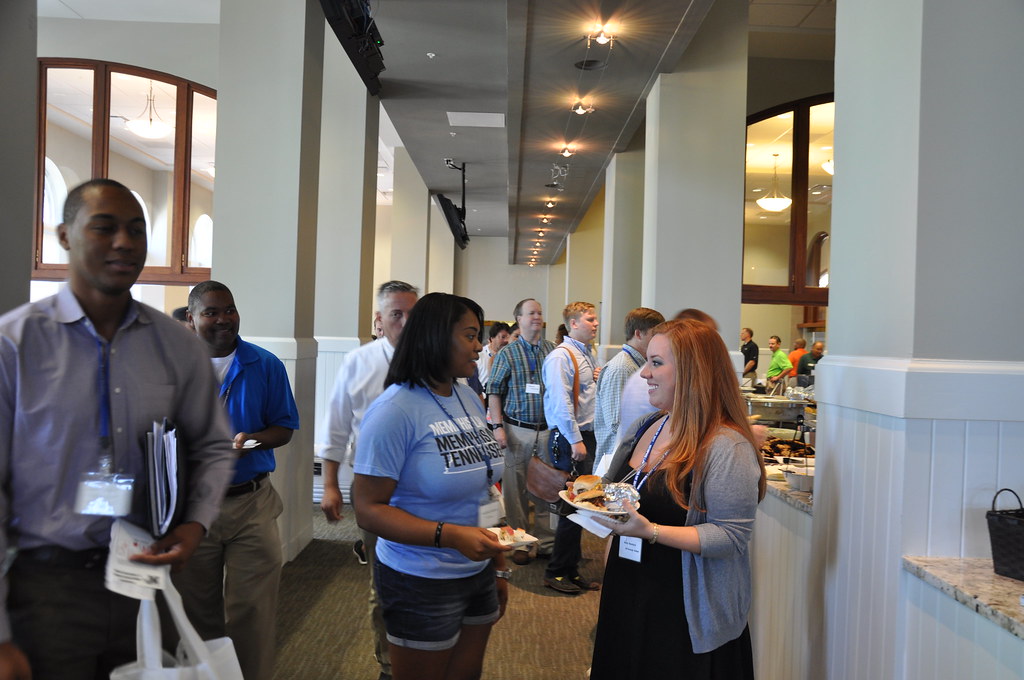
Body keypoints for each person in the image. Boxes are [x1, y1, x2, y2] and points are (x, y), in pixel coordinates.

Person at [0, 179, 235, 680]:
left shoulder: (178, 345)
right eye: (104, 228)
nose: (124, 242)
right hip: (48, 586)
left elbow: (214, 445)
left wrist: (196, 522)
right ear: (64, 236)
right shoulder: (15, 344)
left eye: (136, 230)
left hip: (147, 573)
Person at [591, 318, 766, 679]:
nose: (644, 375)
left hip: (684, 613)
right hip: (629, 591)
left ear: (691, 371)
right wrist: (575, 494)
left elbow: (730, 537)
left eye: (656, 363)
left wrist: (650, 531)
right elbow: (610, 489)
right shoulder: (649, 425)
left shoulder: (725, 445)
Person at [352, 293, 509, 680]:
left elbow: (485, 486)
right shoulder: (395, 411)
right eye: (470, 335)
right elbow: (369, 509)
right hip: (419, 577)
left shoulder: (467, 396)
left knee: (466, 673)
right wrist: (448, 535)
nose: (478, 346)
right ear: (436, 336)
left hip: (477, 568)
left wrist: (499, 561)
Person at [176, 280, 300, 680]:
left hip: (251, 503)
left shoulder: (265, 365)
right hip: (193, 505)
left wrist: (252, 439)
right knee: (198, 611)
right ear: (191, 318)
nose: (223, 319)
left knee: (253, 611)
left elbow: (283, 428)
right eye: (211, 312)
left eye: (229, 309)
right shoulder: (173, 367)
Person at [320, 279, 419, 680]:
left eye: (413, 313)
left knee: (425, 576)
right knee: (385, 583)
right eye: (397, 313)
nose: (406, 321)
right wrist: (329, 484)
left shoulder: (434, 363)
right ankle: (389, 665)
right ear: (379, 320)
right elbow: (336, 426)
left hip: (423, 487)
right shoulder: (358, 362)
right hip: (374, 488)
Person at [485, 299, 556, 566]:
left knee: (547, 488)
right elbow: (494, 391)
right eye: (531, 313)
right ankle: (521, 542)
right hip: (516, 430)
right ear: (519, 319)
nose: (537, 316)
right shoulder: (507, 353)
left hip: (547, 431)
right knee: (515, 490)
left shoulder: (552, 350)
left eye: (540, 312)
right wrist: (498, 427)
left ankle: (546, 541)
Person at [542, 301, 601, 594]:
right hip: (570, 439)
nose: (596, 323)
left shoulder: (584, 353)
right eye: (590, 319)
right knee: (571, 507)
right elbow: (561, 403)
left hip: (581, 436)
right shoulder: (561, 357)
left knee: (580, 506)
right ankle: (557, 572)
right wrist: (576, 439)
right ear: (573, 323)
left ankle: (569, 567)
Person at [594, 307, 665, 470]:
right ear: (638, 334)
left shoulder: (636, 364)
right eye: (654, 335)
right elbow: (616, 424)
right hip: (614, 461)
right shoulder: (621, 368)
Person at [476, 321, 511, 390]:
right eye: (503, 337)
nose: (506, 341)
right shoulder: (479, 356)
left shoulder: (510, 357)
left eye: (508, 337)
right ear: (492, 338)